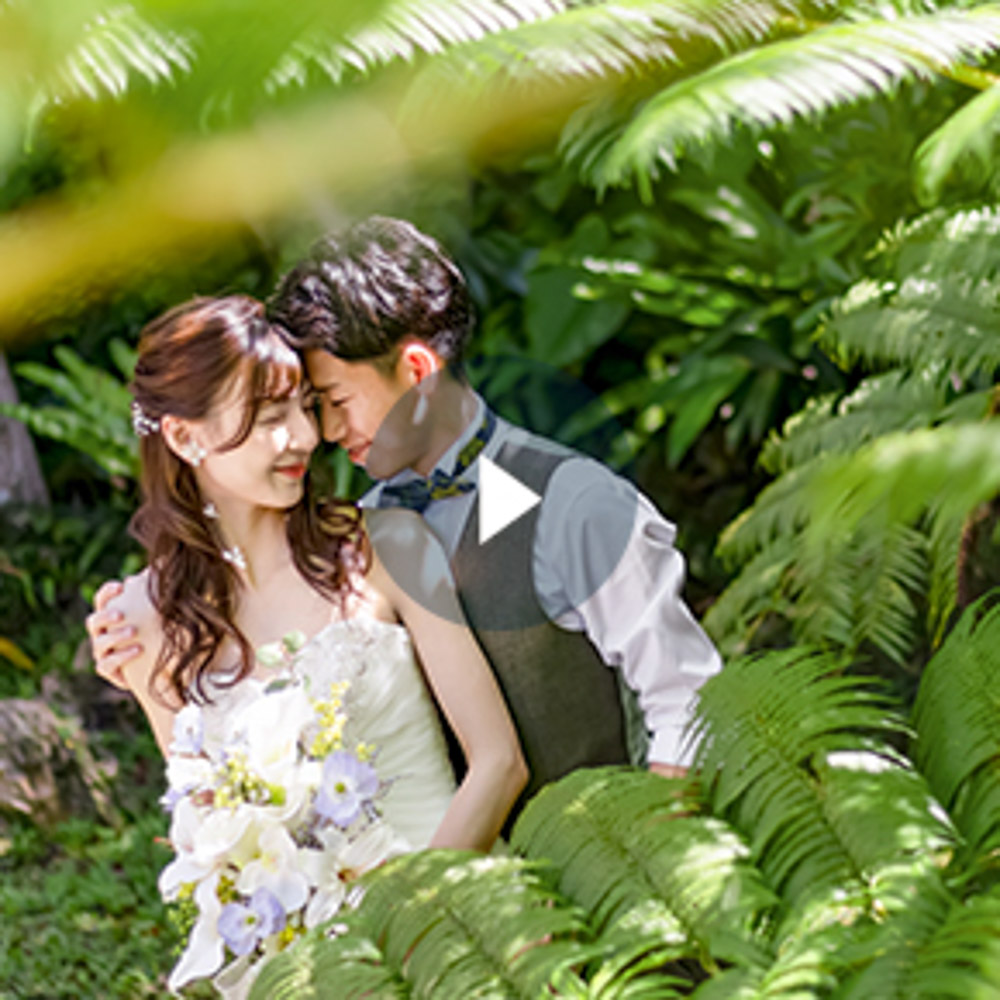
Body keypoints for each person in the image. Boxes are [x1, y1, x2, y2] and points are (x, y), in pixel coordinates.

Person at [90, 217, 721, 818]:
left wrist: (654, 851)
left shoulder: (574, 505)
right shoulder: (361, 542)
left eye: (333, 401)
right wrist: (133, 641)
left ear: (417, 372)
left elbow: (687, 704)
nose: (321, 433)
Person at [94, 294, 526, 855]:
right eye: (272, 417)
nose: (306, 435)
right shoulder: (137, 624)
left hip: (452, 885)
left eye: (305, 407)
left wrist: (419, 902)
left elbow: (499, 762)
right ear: (183, 437)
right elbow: (211, 838)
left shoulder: (387, 545)